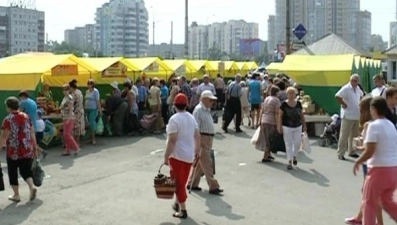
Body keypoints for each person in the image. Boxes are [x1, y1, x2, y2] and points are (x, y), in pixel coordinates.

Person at [353, 97, 397, 224]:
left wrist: (358, 161)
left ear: (373, 109)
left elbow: (370, 150)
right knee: (387, 201)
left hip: (379, 169)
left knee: (369, 203)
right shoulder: (391, 125)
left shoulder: (374, 126)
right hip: (393, 169)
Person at [345, 96, 384, 225]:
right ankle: (359, 217)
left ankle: (378, 222)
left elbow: (367, 147)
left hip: (369, 163)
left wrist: (358, 146)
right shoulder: (379, 123)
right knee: (367, 192)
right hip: (376, 162)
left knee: (369, 193)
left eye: (361, 109)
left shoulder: (368, 124)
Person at [163, 93, 200, 219]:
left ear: (174, 105)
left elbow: (172, 140)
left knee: (178, 184)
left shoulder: (174, 119)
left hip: (177, 156)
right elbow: (197, 136)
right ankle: (178, 202)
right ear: (186, 104)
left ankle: (183, 210)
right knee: (182, 182)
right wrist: (197, 151)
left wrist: (166, 156)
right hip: (189, 156)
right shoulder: (191, 118)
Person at [0, 97, 38, 202]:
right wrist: (34, 147)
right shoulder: (27, 117)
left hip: (13, 151)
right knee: (26, 171)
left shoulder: (8, 119)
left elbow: (4, 137)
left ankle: (16, 195)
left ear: (8, 107)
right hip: (27, 149)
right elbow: (31, 133)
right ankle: (32, 187)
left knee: (12, 173)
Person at [188, 90, 223, 195]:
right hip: (202, 138)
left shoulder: (206, 109)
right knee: (207, 163)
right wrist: (196, 142)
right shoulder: (198, 110)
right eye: (210, 100)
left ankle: (192, 183)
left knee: (200, 163)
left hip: (207, 138)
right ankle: (213, 185)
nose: (212, 102)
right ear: (204, 99)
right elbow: (195, 127)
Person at [278, 87, 307, 170]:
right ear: (287, 94)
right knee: (288, 144)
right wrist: (279, 126)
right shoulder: (283, 104)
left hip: (298, 126)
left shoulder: (298, 104)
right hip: (287, 126)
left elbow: (301, 115)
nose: (291, 95)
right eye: (289, 93)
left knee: (297, 143)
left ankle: (294, 156)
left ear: (295, 94)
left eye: (292, 93)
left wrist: (304, 125)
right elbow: (280, 116)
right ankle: (289, 161)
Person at [336, 74, 363, 160]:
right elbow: (337, 96)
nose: (354, 82)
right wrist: (343, 103)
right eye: (353, 81)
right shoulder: (346, 88)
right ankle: (341, 153)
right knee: (344, 135)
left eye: (356, 81)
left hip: (356, 114)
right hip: (347, 115)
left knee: (354, 136)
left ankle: (352, 151)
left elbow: (362, 95)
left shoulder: (358, 89)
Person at [260, 85, 280, 162]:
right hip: (271, 121)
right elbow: (277, 113)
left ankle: (269, 154)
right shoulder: (276, 100)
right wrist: (278, 123)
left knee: (266, 138)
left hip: (264, 119)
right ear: (276, 92)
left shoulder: (266, 99)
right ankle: (265, 156)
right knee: (270, 139)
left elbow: (263, 109)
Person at [61, 84, 80, 156]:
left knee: (67, 134)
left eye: (66, 90)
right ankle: (67, 150)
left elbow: (71, 109)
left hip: (69, 118)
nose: (65, 91)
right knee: (66, 135)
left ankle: (76, 148)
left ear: (69, 90)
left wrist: (68, 119)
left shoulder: (69, 98)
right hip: (65, 117)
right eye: (63, 90)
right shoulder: (65, 98)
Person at [85, 79, 102, 145]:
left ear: (93, 85)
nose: (89, 85)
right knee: (88, 124)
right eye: (88, 84)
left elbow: (97, 101)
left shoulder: (96, 91)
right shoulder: (87, 91)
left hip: (93, 109)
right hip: (87, 109)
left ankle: (93, 139)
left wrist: (100, 110)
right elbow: (85, 100)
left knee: (92, 123)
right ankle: (91, 138)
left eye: (90, 84)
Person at [69, 79, 85, 145]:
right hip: (80, 111)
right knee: (78, 128)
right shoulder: (79, 92)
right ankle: (77, 143)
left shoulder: (73, 94)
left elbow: (72, 104)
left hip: (76, 112)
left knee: (75, 128)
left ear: (71, 87)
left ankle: (76, 143)